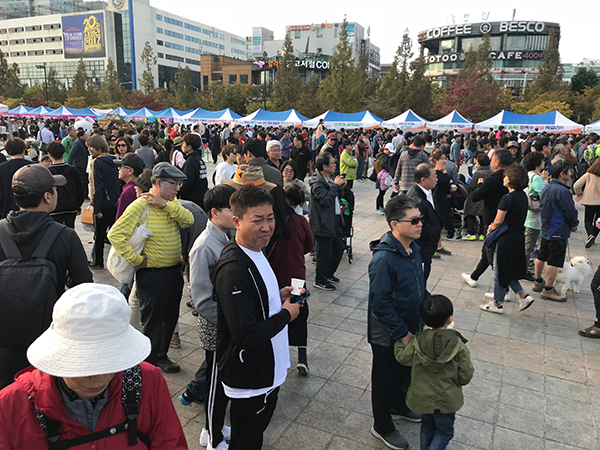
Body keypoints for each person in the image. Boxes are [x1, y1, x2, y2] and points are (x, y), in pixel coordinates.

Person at [0, 283, 187, 449]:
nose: (99, 377)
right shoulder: (11, 405)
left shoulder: (149, 381)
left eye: (110, 361)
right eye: (84, 364)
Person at [210, 185, 301, 450]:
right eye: (257, 220)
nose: (267, 227)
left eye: (270, 218)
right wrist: (286, 315)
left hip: (267, 369)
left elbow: (256, 299)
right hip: (250, 377)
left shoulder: (257, 251)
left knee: (255, 435)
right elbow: (246, 334)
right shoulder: (233, 269)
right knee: (246, 440)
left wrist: (278, 294)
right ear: (236, 222)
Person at [0, 164, 92, 389]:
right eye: (55, 189)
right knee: (44, 396)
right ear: (48, 196)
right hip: (48, 338)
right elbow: (84, 288)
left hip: (4, 340)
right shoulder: (65, 236)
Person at [108, 163, 194, 373]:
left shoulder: (171, 205)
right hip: (152, 274)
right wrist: (135, 259)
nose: (177, 189)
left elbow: (188, 220)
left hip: (174, 272)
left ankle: (161, 355)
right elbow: (115, 235)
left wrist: (165, 205)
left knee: (170, 317)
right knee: (153, 322)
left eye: (179, 184)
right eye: (174, 184)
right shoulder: (141, 205)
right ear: (158, 183)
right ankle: (147, 364)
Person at [368, 195, 428, 450]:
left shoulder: (413, 248)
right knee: (385, 378)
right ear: (395, 224)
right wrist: (402, 332)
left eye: (420, 219)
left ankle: (399, 406)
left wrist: (431, 310)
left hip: (411, 326)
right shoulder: (383, 259)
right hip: (388, 334)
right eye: (414, 220)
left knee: (405, 371)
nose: (420, 224)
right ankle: (382, 424)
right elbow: (380, 304)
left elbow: (417, 286)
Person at [187, 185, 236, 450]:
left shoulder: (228, 236)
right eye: (232, 208)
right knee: (215, 383)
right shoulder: (204, 246)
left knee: (222, 379)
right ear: (215, 212)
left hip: (226, 325)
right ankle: (213, 438)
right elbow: (202, 299)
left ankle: (212, 427)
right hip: (216, 327)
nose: (236, 212)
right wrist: (230, 322)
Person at [394, 295, 474, 450]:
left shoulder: (417, 341)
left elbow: (403, 358)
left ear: (423, 320)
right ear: (450, 319)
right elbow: (466, 373)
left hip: (424, 398)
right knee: (444, 432)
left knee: (427, 427)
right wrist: (459, 381)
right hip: (446, 399)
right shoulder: (457, 344)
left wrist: (399, 342)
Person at [266, 182, 313, 374]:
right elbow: (309, 247)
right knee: (300, 315)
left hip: (274, 277)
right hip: (296, 277)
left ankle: (277, 354)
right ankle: (302, 358)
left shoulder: (269, 225)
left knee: (276, 314)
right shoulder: (300, 221)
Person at [479, 163, 535, 314]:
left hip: (505, 238)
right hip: (517, 236)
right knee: (506, 269)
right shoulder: (523, 196)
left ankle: (497, 304)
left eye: (505, 176)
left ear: (510, 180)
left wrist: (491, 227)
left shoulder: (507, 198)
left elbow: (498, 221)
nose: (503, 178)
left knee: (500, 270)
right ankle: (523, 295)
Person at [461, 149, 512, 288]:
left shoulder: (493, 180)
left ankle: (504, 288)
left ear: (497, 162)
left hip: (492, 220)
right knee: (487, 252)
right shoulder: (513, 178)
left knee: (491, 255)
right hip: (508, 220)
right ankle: (474, 276)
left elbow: (475, 196)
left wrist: (479, 185)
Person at [533, 160, 579, 302]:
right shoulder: (563, 191)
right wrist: (574, 223)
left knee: (542, 255)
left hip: (546, 227)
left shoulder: (546, 186)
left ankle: (538, 280)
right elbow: (570, 211)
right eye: (569, 172)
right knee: (553, 260)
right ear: (562, 174)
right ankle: (548, 289)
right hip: (558, 228)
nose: (570, 174)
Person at [310, 152, 347, 291]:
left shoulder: (330, 180)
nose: (335, 165)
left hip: (334, 220)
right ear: (324, 166)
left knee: (338, 248)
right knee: (324, 254)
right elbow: (325, 200)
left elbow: (335, 198)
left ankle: (328, 274)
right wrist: (336, 186)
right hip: (323, 223)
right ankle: (320, 280)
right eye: (333, 163)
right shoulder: (317, 183)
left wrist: (340, 187)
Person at [88, 134, 120, 269]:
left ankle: (98, 260)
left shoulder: (97, 162)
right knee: (115, 234)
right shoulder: (114, 160)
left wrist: (97, 208)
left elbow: (97, 186)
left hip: (103, 202)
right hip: (115, 201)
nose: (89, 149)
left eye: (91, 147)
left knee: (99, 235)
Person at [406, 163, 440, 284]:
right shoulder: (416, 200)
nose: (437, 179)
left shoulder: (428, 192)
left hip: (427, 249)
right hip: (421, 249)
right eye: (434, 176)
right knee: (418, 281)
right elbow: (413, 228)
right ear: (423, 180)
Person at [47, 142, 84, 229]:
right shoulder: (72, 170)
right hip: (71, 207)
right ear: (63, 153)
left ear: (49, 155)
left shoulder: (47, 172)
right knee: (70, 229)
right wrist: (78, 205)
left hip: (54, 209)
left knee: (55, 231)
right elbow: (79, 189)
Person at [522, 151, 548, 270]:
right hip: (534, 217)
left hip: (526, 213)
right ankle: (523, 268)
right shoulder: (537, 178)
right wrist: (546, 182)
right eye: (542, 160)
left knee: (527, 243)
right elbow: (544, 197)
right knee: (529, 245)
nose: (544, 162)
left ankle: (522, 266)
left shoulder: (527, 175)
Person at [0, 137, 34, 218]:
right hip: (31, 210)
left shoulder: (2, 168)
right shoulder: (33, 166)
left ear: (7, 151)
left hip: (8, 210)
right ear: (23, 149)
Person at [462, 152, 491, 241]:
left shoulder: (478, 173)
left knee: (471, 214)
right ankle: (482, 233)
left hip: (476, 196)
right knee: (483, 216)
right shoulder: (491, 172)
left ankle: (471, 233)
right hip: (487, 197)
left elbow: (471, 185)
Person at [574, 157, 600, 248]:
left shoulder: (589, 174)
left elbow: (577, 185)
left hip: (589, 201)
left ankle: (590, 235)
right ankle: (594, 236)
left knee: (588, 220)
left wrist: (580, 194)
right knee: (598, 221)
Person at [178, 132, 208, 209]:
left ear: (189, 147)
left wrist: (177, 192)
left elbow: (187, 183)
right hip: (201, 198)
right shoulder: (199, 160)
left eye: (184, 144)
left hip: (192, 201)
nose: (182, 146)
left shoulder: (190, 162)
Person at [114, 152, 145, 220]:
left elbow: (120, 219)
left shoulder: (128, 192)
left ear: (130, 171)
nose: (118, 169)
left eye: (121, 166)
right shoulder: (140, 187)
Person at [68, 127, 91, 199]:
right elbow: (72, 154)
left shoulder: (84, 143)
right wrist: (70, 164)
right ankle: (83, 195)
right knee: (82, 181)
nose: (86, 136)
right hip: (79, 165)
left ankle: (85, 194)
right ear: (81, 136)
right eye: (85, 135)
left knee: (85, 181)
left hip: (84, 165)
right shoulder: (77, 143)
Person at [375, 143, 393, 214]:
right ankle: (377, 208)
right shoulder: (384, 156)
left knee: (381, 193)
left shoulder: (380, 155)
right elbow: (383, 164)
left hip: (379, 176)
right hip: (382, 176)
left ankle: (381, 207)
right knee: (381, 193)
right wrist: (389, 169)